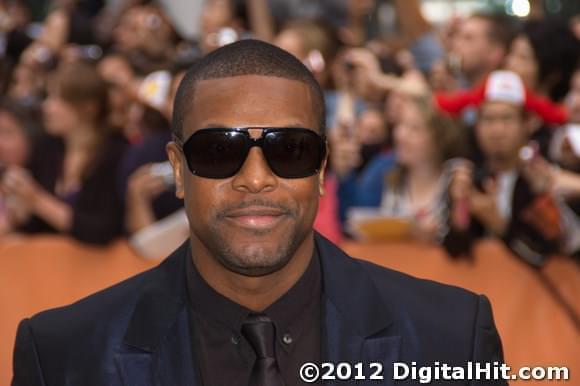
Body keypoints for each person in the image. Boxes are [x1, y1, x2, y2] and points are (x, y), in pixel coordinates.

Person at [12, 40, 505, 386]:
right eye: (217, 150)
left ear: (320, 169)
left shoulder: (452, 338)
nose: (255, 178)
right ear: (178, 171)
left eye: (289, 149)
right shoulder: (62, 355)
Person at [1, 61, 127, 245]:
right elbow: (35, 225)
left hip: (100, 266)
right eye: (48, 97)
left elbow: (102, 231)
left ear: (88, 108)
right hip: (51, 263)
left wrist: (37, 200)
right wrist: (19, 210)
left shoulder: (115, 154)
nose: (47, 107)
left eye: (57, 99)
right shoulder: (47, 147)